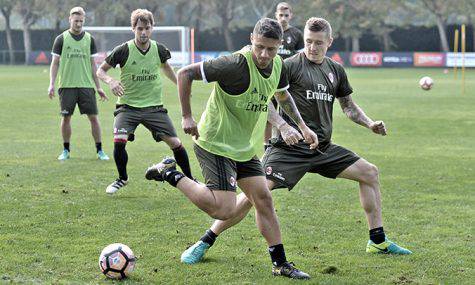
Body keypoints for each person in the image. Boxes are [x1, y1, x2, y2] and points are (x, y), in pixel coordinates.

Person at [180, 17, 412, 265]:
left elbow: (348, 106)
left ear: (329, 42)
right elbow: (265, 98)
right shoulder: (287, 64)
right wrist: (282, 127)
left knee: (369, 173)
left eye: (318, 43)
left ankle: (377, 241)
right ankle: (206, 240)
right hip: (288, 150)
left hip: (321, 147)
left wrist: (369, 123)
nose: (312, 47)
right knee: (252, 197)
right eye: (309, 42)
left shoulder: (335, 71)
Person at [145, 18, 318, 279]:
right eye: (259, 46)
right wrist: (187, 116)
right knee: (224, 209)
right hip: (214, 142)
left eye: (271, 49)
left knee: (263, 199)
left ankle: (280, 264)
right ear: (251, 38)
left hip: (243, 147)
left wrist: (302, 126)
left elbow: (282, 95)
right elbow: (185, 74)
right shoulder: (234, 64)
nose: (264, 54)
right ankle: (171, 172)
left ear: (280, 45)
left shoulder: (278, 65)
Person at [96, 9, 193, 194]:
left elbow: (166, 68)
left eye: (147, 28)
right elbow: (100, 71)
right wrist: (111, 81)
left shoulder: (159, 49)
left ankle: (191, 179)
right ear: (133, 28)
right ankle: (122, 179)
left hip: (154, 108)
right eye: (139, 28)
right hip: (127, 107)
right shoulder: (123, 50)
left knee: (176, 143)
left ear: (152, 28)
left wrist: (181, 85)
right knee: (119, 141)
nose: (143, 32)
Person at [48, 7, 109, 161]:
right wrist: (51, 84)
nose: (79, 24)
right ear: (70, 20)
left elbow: (93, 65)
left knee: (94, 118)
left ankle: (100, 151)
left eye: (81, 21)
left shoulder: (89, 39)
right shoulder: (61, 39)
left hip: (86, 86)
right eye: (76, 21)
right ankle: (66, 150)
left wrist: (99, 87)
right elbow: (54, 63)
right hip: (66, 86)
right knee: (66, 118)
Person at [264, 2, 305, 144]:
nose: (283, 18)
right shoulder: (270, 32)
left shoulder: (297, 34)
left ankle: (280, 141)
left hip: (287, 81)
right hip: (269, 78)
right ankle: (267, 146)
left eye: (286, 15)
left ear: (291, 16)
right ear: (276, 15)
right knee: (268, 114)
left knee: (287, 112)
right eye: (280, 15)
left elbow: (301, 59)